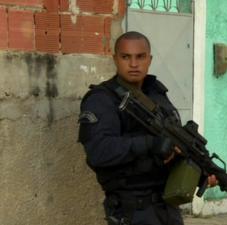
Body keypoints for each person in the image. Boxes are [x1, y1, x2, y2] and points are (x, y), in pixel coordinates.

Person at [78, 31, 216, 225]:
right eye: (126, 57)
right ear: (115, 58)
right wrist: (150, 144)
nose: (134, 64)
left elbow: (175, 145)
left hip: (167, 208)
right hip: (132, 210)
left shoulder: (156, 93)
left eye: (140, 57)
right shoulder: (102, 100)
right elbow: (99, 151)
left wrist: (199, 170)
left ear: (149, 59)